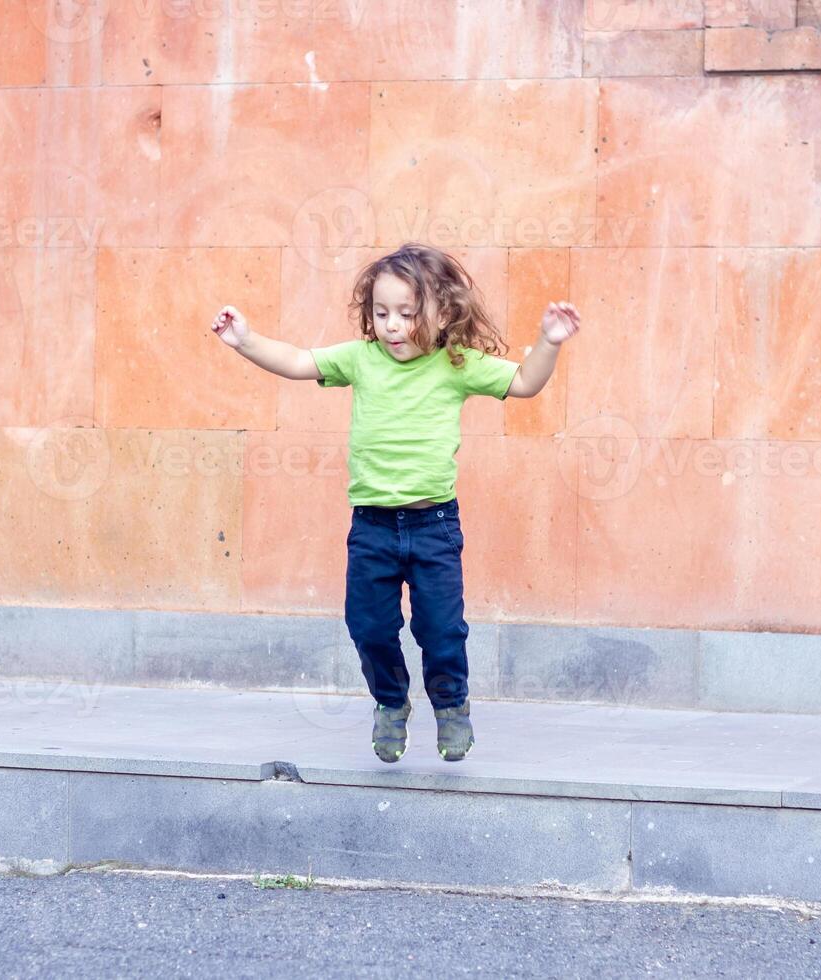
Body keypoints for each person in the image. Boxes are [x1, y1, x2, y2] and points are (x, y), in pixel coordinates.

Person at [210, 242, 581, 762]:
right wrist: (243, 340)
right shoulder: (361, 360)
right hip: (372, 528)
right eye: (381, 313)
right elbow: (297, 361)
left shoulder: (456, 364)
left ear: (442, 312)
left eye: (407, 314)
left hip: (434, 525)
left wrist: (549, 342)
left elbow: (523, 382)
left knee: (441, 629)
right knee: (368, 626)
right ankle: (390, 702)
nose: (392, 326)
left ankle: (451, 704)